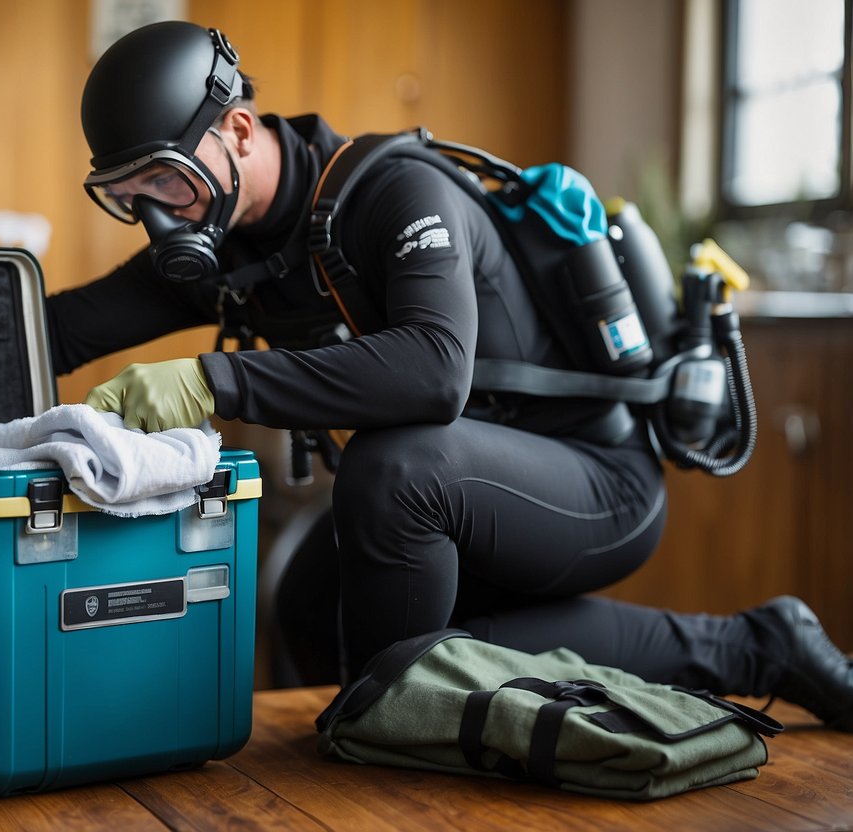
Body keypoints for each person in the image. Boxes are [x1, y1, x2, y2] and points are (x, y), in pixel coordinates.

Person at [45, 20, 853, 729]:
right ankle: (760, 644)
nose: (158, 213)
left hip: (594, 484)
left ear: (241, 131)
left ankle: (387, 726)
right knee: (309, 593)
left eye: (166, 178)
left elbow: (433, 374)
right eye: (129, 195)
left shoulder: (396, 192)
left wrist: (212, 381)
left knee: (390, 474)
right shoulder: (215, 245)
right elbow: (59, 328)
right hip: (468, 495)